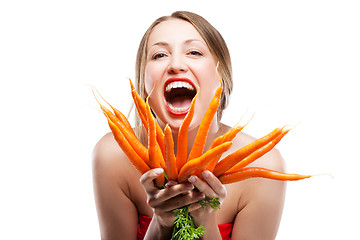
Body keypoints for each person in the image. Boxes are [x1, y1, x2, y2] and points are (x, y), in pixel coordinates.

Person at [92, 11, 286, 240]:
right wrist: (161, 222)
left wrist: (205, 221)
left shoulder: (264, 165)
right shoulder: (113, 155)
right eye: (159, 55)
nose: (175, 64)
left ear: (221, 76)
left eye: (194, 52)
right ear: (144, 85)